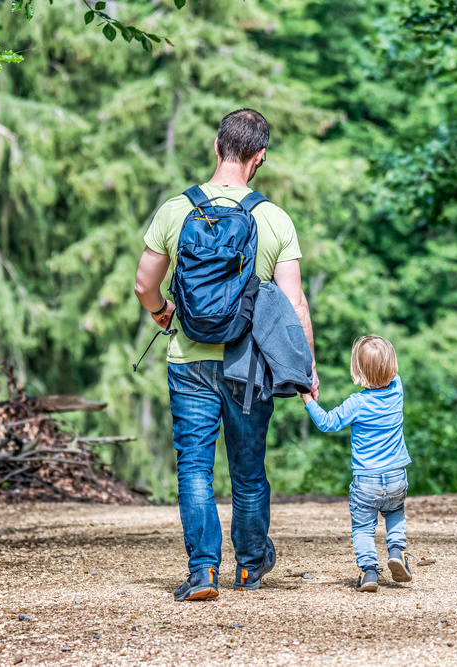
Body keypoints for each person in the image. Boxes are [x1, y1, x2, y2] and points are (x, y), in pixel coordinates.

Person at [134, 109, 318, 601]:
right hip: (249, 365)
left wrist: (162, 311)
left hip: (188, 361)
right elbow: (294, 304)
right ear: (260, 157)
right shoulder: (274, 219)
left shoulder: (176, 210)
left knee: (194, 466)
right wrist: (306, 367)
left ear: (216, 147)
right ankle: (250, 567)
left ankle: (203, 572)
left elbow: (142, 284)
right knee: (248, 471)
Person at [301, 335, 412, 592]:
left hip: (367, 480)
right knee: (395, 512)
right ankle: (396, 550)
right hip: (396, 475)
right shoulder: (397, 388)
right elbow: (389, 373)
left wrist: (307, 399)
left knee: (363, 527)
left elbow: (328, 422)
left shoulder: (357, 403)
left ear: (357, 372)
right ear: (392, 367)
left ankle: (370, 572)